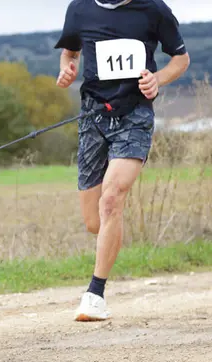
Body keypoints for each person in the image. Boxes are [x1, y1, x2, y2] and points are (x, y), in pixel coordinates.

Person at [54, 0, 190, 321]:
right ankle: (110, 242)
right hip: (92, 117)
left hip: (135, 115)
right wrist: (67, 67)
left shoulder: (154, 9)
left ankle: (95, 295)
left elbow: (180, 59)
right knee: (94, 221)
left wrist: (158, 79)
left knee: (112, 198)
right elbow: (70, 52)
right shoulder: (80, 9)